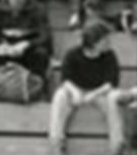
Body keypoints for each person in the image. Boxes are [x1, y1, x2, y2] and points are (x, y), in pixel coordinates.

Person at [49, 21, 122, 155]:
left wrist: (93, 94)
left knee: (113, 99)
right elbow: (65, 79)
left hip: (100, 93)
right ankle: (56, 144)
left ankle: (116, 145)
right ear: (95, 42)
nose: (109, 42)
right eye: (105, 40)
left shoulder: (110, 56)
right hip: (75, 91)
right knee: (60, 96)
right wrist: (75, 91)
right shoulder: (72, 54)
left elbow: (111, 83)